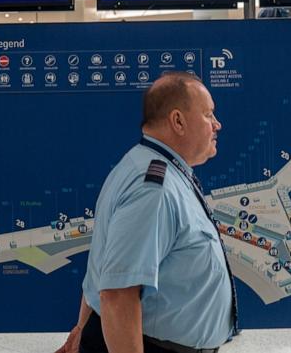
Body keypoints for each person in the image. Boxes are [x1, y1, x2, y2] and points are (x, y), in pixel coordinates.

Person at [60, 72, 237, 353]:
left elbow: (104, 267)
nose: (217, 124)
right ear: (178, 121)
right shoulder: (154, 189)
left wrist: (81, 329)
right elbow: (118, 294)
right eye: (208, 114)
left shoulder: (146, 166)